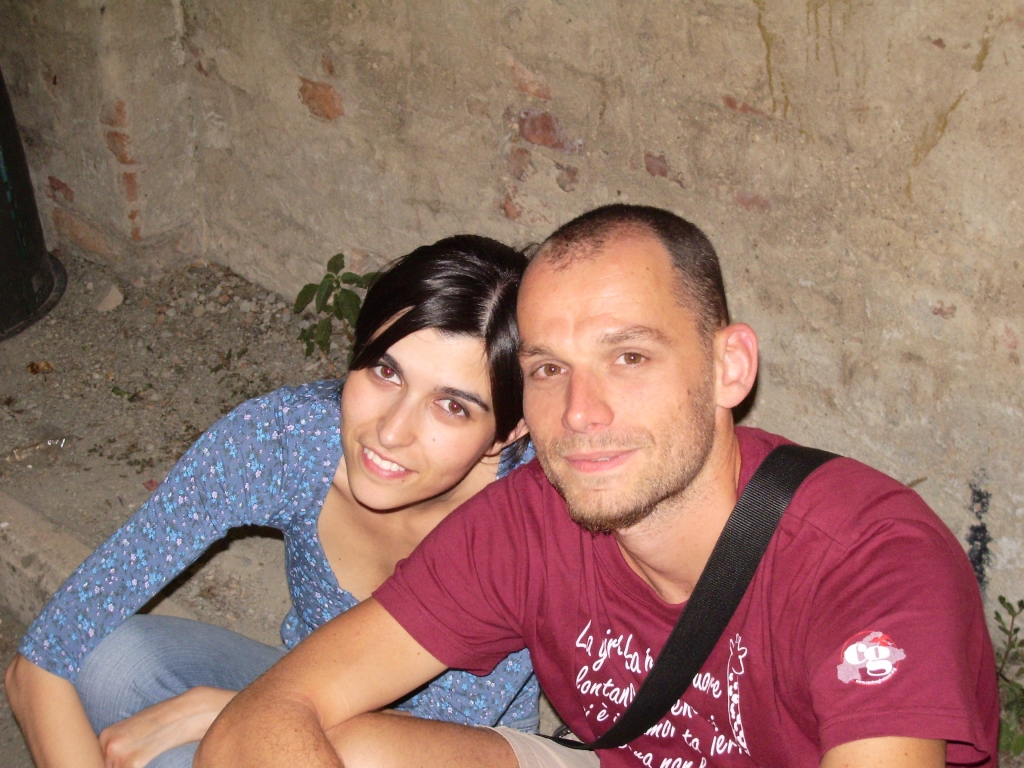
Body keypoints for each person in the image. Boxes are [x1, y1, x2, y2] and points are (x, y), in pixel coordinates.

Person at [195, 204, 999, 768]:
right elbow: (267, 714)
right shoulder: (527, 522)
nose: (581, 413)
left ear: (729, 367)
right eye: (549, 369)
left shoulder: (869, 559)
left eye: (630, 357)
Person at [5, 235, 541, 768]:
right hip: (304, 699)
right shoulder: (289, 441)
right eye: (385, 371)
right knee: (107, 662)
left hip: (448, 751)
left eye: (452, 406)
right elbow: (42, 660)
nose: (391, 432)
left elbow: (428, 743)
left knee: (185, 758)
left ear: (511, 429)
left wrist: (229, 713)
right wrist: (253, 712)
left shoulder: (526, 529)